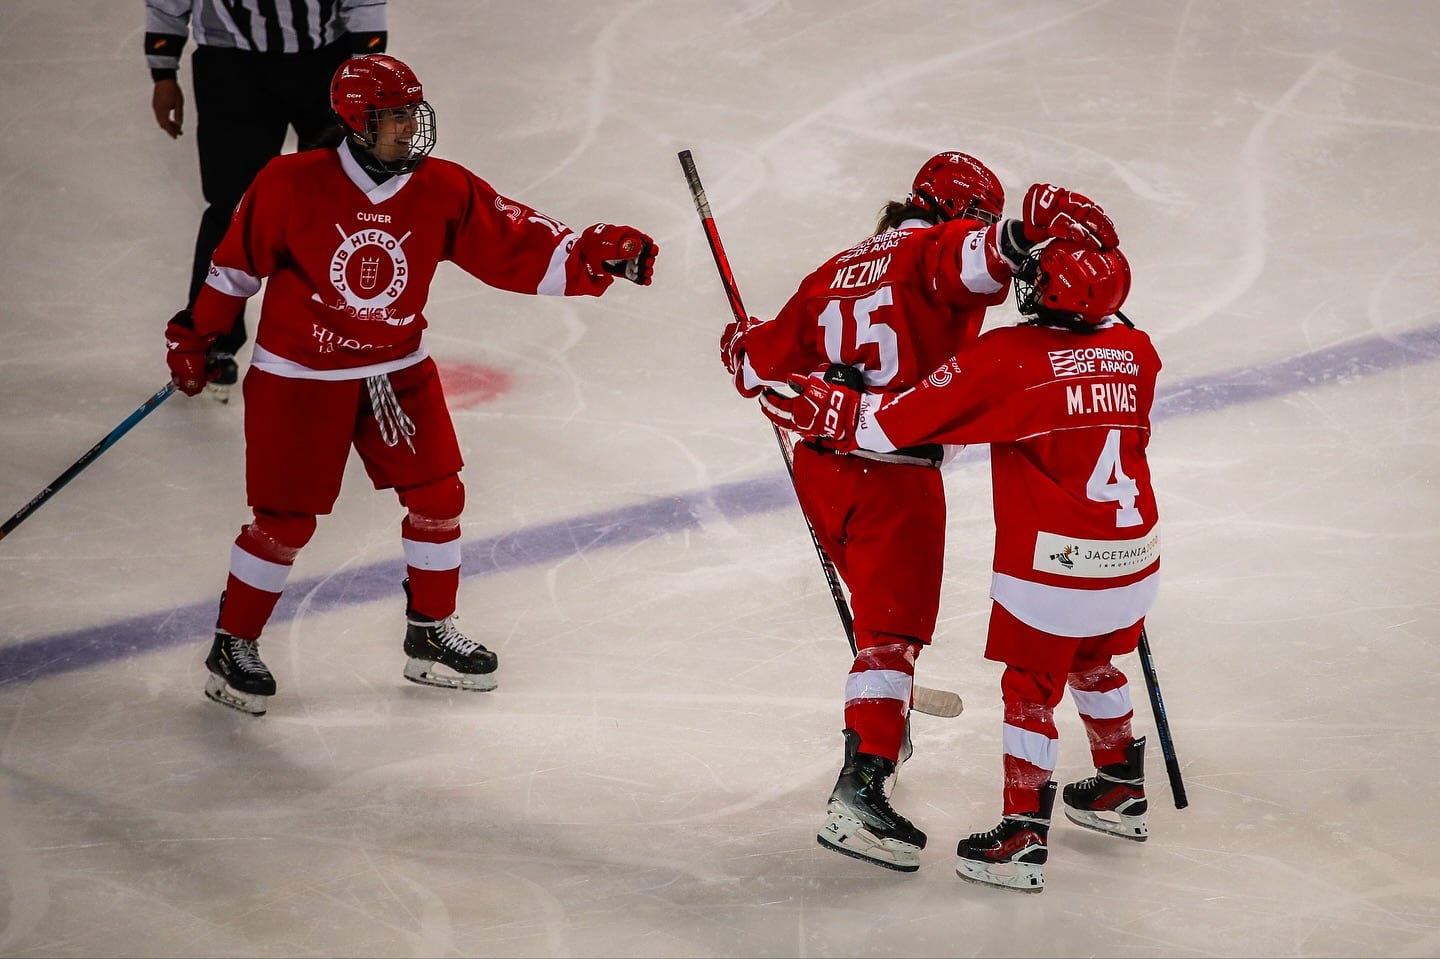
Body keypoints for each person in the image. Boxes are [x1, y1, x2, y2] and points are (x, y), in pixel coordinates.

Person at [164, 54, 659, 717]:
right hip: (301, 378)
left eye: (411, 113)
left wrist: (593, 256)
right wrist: (198, 336)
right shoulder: (289, 184)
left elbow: (514, 242)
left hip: (395, 369)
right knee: (285, 521)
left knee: (438, 491)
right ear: (352, 120)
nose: (408, 128)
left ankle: (429, 633)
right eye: (391, 116)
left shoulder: (441, 188)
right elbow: (233, 270)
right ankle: (234, 643)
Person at [719, 154, 1119, 873]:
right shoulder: (932, 252)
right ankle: (862, 785)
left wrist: (743, 346)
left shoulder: (836, 268)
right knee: (889, 637)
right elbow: (984, 256)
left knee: (878, 625)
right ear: (954, 214)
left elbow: (761, 363)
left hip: (820, 470)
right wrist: (1032, 229)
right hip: (890, 480)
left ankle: (880, 726)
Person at [775, 238, 1159, 893]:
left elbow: (894, 426)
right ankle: (1117, 785)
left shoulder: (1009, 357)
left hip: (1055, 563)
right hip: (1134, 555)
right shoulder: (1138, 350)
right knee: (1095, 656)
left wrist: (826, 404)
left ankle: (1022, 836)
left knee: (1031, 688)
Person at [146, 0, 389, 401]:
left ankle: (349, 333)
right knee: (231, 207)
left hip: (325, 66)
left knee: (345, 201)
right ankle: (210, 339)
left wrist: (366, 73)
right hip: (230, 69)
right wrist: (162, 71)